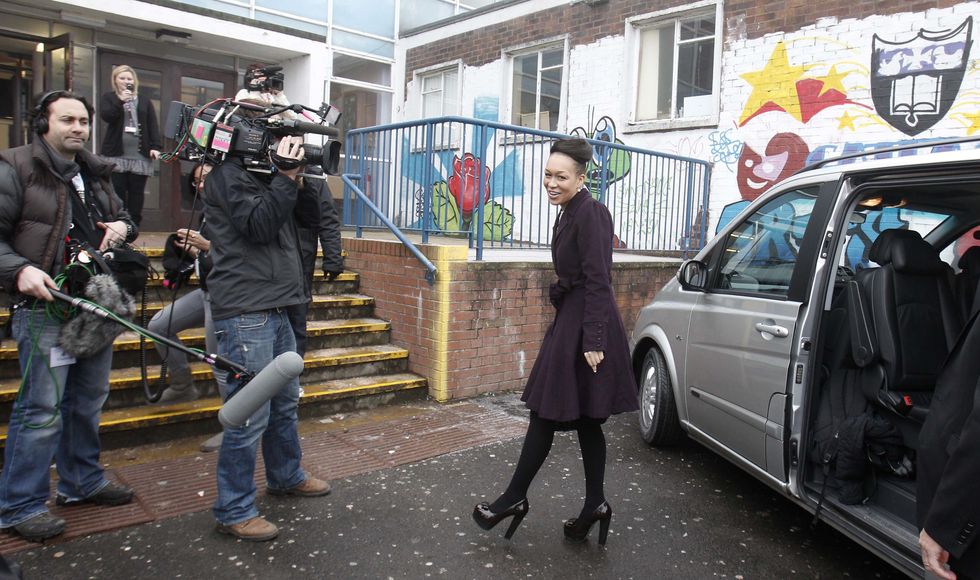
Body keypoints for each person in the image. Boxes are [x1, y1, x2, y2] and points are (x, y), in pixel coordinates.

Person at [472, 138, 639, 545]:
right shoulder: (568, 212)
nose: (551, 182)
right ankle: (595, 505)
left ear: (582, 178)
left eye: (561, 177)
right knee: (585, 419)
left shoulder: (592, 213)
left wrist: (594, 339)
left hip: (586, 326)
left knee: (546, 413)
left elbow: (600, 278)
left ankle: (513, 498)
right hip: (573, 319)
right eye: (548, 174)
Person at [0, 91, 138, 542]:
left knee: (89, 401)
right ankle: (19, 504)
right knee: (41, 410)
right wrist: (19, 270)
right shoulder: (15, 166)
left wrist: (123, 227)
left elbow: (123, 219)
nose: (77, 128)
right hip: (44, 308)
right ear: (44, 123)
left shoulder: (94, 172)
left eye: (83, 120)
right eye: (67, 120)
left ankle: (82, 483)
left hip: (95, 304)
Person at [204, 132, 330, 542]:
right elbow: (258, 226)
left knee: (285, 401)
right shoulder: (226, 176)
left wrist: (297, 176)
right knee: (248, 412)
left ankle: (285, 475)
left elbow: (311, 216)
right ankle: (234, 508)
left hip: (278, 304)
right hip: (245, 310)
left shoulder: (270, 176)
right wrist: (283, 176)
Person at [147, 163, 225, 405]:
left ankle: (235, 426)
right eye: (197, 181)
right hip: (205, 291)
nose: (201, 186)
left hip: (224, 296)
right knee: (158, 325)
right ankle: (182, 385)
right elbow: (210, 257)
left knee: (219, 361)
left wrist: (207, 247)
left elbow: (243, 257)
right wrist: (193, 252)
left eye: (206, 179)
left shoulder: (233, 211)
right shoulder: (204, 214)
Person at [288, 170, 343, 357]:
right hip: (267, 265)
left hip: (300, 264)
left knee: (296, 323)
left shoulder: (312, 176)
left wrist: (333, 258)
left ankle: (292, 381)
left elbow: (327, 218)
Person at [99, 65, 161, 226]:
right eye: (122, 78)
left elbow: (152, 124)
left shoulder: (145, 100)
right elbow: (107, 116)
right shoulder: (109, 98)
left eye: (129, 78)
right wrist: (121, 101)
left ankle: (133, 225)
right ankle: (119, 223)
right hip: (116, 155)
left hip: (139, 155)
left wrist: (155, 146)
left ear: (134, 81)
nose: (126, 81)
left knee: (136, 193)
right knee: (117, 191)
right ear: (115, 80)